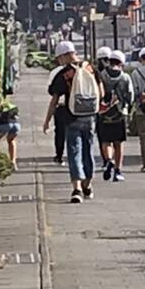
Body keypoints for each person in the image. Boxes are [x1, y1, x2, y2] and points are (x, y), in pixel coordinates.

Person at [43, 41, 104, 203]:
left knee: (74, 151)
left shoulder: (64, 74)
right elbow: (101, 92)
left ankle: (77, 189)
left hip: (72, 117)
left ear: (64, 56)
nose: (59, 61)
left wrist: (47, 120)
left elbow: (54, 100)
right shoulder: (90, 68)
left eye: (59, 58)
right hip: (90, 116)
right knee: (88, 150)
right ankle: (87, 185)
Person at [99, 50, 134, 182]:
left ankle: (108, 160)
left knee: (106, 141)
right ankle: (118, 170)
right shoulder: (125, 77)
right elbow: (130, 97)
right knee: (118, 143)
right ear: (121, 63)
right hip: (120, 113)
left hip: (104, 112)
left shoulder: (101, 75)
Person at [47, 55, 70, 166]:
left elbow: (53, 93)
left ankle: (59, 156)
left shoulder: (57, 73)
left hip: (62, 108)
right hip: (80, 108)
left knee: (60, 133)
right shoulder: (83, 69)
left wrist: (47, 120)